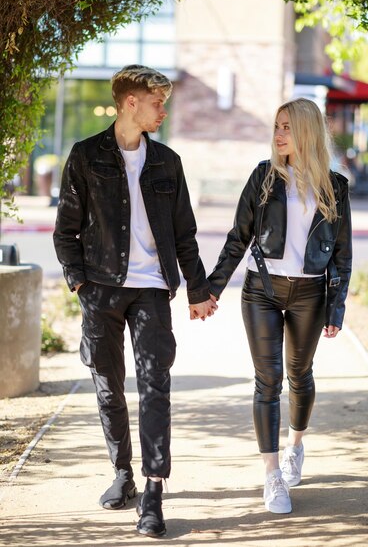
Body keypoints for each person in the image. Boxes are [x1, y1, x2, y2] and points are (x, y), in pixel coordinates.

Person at [53, 65, 217, 537]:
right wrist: (80, 285)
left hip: (151, 290)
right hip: (100, 290)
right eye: (157, 102)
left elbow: (184, 233)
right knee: (108, 387)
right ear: (131, 102)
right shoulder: (86, 156)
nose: (163, 110)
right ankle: (122, 472)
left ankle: (153, 489)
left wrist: (199, 289)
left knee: (154, 385)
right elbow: (66, 231)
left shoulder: (168, 161)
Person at [208, 98, 352, 514]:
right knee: (267, 379)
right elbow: (239, 237)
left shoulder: (335, 186)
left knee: (299, 374)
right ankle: (272, 476)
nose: (279, 133)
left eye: (287, 126)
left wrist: (336, 308)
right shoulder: (263, 178)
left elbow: (342, 255)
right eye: (276, 126)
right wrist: (211, 289)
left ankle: (295, 447)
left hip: (310, 294)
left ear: (306, 130)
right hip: (263, 290)